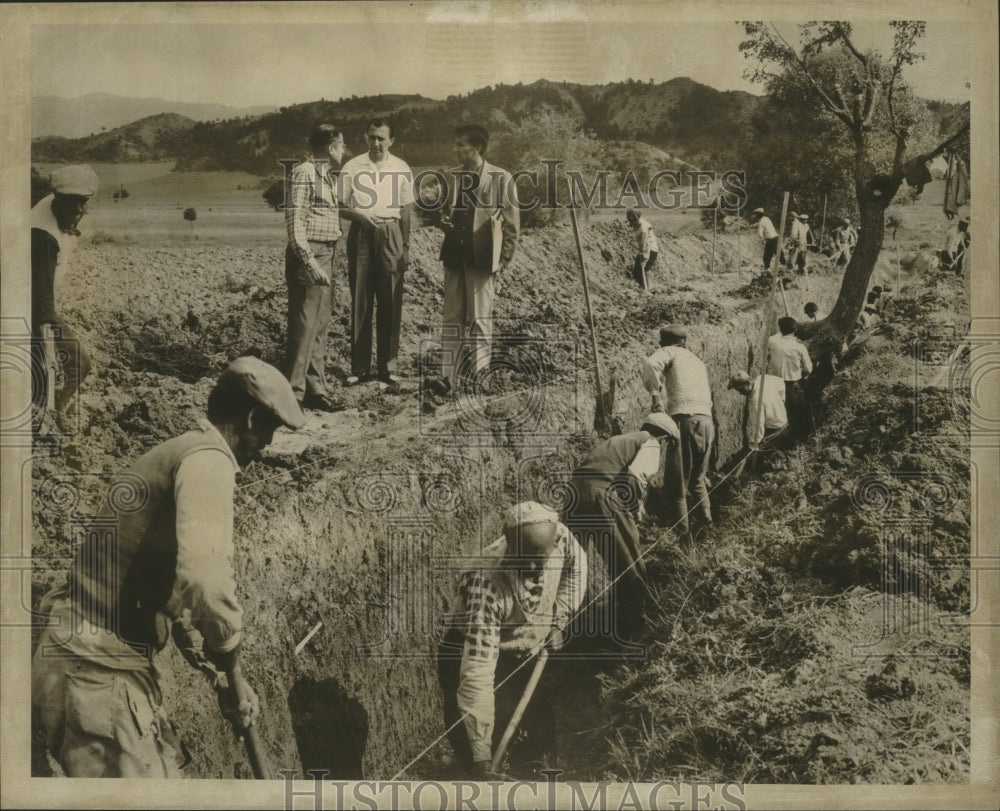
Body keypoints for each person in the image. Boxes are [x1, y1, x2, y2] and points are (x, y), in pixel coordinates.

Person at [32, 357, 305, 777]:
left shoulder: (182, 451)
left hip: (86, 658)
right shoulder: (208, 461)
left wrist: (223, 677)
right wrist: (230, 661)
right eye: (270, 429)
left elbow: (174, 589)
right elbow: (205, 579)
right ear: (251, 418)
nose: (268, 443)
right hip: (95, 672)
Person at [437, 501, 586, 778]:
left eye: (539, 557)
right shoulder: (486, 583)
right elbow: (478, 674)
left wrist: (558, 620)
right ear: (508, 544)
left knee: (537, 732)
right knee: (483, 754)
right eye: (523, 556)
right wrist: (481, 756)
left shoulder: (560, 537)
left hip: (522, 650)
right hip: (472, 654)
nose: (532, 565)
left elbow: (577, 568)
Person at [563, 412, 679, 632]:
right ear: (664, 438)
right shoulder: (651, 443)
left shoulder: (618, 441)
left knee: (575, 563)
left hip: (573, 494)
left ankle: (571, 623)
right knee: (627, 559)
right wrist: (635, 508)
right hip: (601, 494)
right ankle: (635, 623)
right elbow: (634, 477)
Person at [438, 124, 520, 392]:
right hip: (454, 256)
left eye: (462, 144)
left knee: (480, 319)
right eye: (456, 143)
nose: (456, 149)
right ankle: (447, 376)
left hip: (483, 259)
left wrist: (503, 260)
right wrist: (443, 220)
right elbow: (443, 211)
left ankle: (480, 375)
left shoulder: (501, 178)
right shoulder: (451, 177)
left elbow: (512, 224)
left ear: (478, 148)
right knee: (452, 318)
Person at [339, 118, 414, 386]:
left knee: (390, 301)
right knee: (361, 300)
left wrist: (404, 247)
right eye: (372, 137)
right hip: (361, 234)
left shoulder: (401, 167)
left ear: (391, 141)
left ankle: (388, 367)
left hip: (391, 232)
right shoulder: (352, 166)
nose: (376, 143)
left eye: (382, 138)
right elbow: (338, 205)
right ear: (365, 138)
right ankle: (359, 368)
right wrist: (358, 216)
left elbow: (405, 211)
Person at [31, 165, 99, 426]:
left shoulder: (57, 208)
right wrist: (49, 353)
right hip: (28, 308)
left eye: (82, 204)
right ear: (57, 199)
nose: (79, 211)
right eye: (72, 205)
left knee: (75, 362)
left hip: (38, 304)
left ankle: (53, 412)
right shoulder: (42, 238)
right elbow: (43, 309)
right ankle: (43, 420)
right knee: (48, 370)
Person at [284, 124, 346, 411]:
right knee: (304, 325)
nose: (344, 152)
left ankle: (315, 390)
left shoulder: (327, 177)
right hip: (311, 254)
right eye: (342, 146)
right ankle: (292, 395)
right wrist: (309, 262)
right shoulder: (304, 173)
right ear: (331, 147)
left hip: (328, 254)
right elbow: (295, 223)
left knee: (320, 323)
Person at [641, 325, 715, 539]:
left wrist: (655, 396)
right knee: (698, 479)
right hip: (706, 422)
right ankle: (707, 526)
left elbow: (650, 363)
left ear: (666, 342)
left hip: (685, 421)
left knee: (676, 487)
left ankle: (682, 538)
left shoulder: (669, 352)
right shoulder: (696, 360)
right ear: (684, 341)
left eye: (661, 341)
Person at [766, 316, 813, 441]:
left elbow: (772, 339)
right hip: (794, 384)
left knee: (780, 412)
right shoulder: (799, 346)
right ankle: (801, 438)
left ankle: (784, 438)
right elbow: (808, 369)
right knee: (799, 411)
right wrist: (801, 375)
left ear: (780, 329)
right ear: (795, 329)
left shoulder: (773, 341)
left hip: (775, 384)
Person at [728, 369, 787, 450]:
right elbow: (781, 382)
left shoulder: (756, 399)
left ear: (747, 383)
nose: (741, 393)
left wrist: (753, 444)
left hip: (776, 431)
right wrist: (782, 400)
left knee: (757, 456)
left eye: (741, 390)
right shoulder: (762, 379)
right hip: (785, 423)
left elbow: (758, 425)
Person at [625, 209, 659, 288]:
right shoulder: (637, 224)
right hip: (646, 248)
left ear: (637, 218)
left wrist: (644, 257)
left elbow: (645, 244)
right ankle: (642, 287)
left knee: (641, 269)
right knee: (637, 270)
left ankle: (645, 289)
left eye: (633, 221)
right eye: (630, 221)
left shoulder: (643, 228)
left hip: (651, 250)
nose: (632, 223)